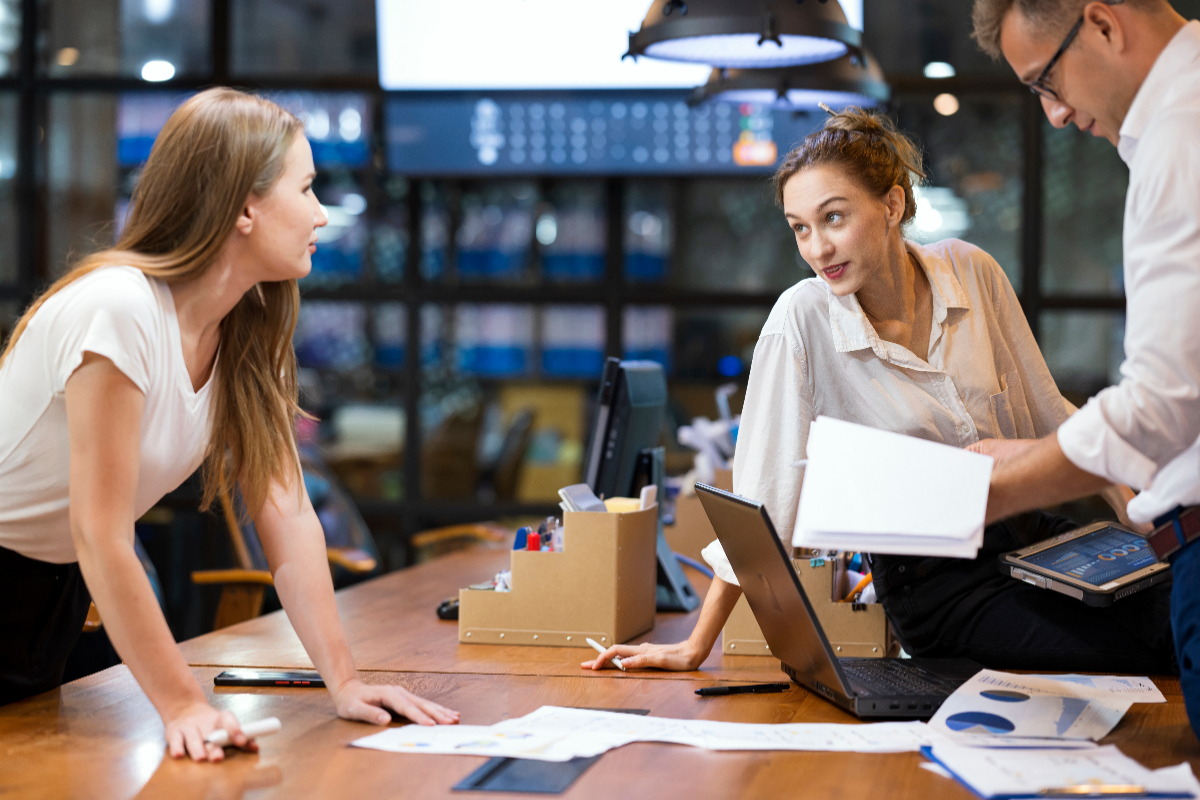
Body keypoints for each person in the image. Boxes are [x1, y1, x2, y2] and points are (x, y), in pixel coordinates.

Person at [584, 107, 1174, 675]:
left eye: (834, 218)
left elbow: (1049, 413)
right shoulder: (801, 320)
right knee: (1163, 634)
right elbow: (765, 503)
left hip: (1029, 536)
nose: (817, 249)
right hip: (939, 589)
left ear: (892, 204)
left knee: (1181, 587)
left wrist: (1140, 511)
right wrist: (695, 645)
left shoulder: (971, 270)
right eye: (800, 229)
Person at [0, 88, 459, 761]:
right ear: (245, 207)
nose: (322, 215)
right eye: (305, 189)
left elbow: (291, 519)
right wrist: (184, 702)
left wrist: (347, 682)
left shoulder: (243, 330)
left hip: (56, 588)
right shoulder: (119, 309)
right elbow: (100, 531)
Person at [971, 0, 1199, 736]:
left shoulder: (1180, 137)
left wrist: (984, 494)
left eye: (1046, 81)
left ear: (1101, 22)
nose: (1056, 115)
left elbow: (1160, 406)